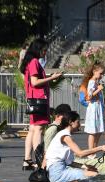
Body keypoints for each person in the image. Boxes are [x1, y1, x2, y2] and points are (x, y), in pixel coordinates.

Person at [20, 38, 63, 170]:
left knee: (33, 129)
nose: (45, 53)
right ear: (38, 49)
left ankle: (27, 160)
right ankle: (39, 160)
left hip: (34, 100)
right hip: (38, 100)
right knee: (38, 129)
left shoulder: (30, 61)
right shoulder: (34, 62)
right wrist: (52, 78)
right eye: (44, 50)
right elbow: (34, 82)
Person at [81, 61, 105, 150]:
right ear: (94, 71)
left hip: (98, 107)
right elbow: (89, 96)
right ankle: (91, 150)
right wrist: (98, 89)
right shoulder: (91, 82)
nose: (101, 75)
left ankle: (94, 149)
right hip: (94, 108)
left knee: (99, 130)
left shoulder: (96, 81)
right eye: (100, 73)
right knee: (93, 131)